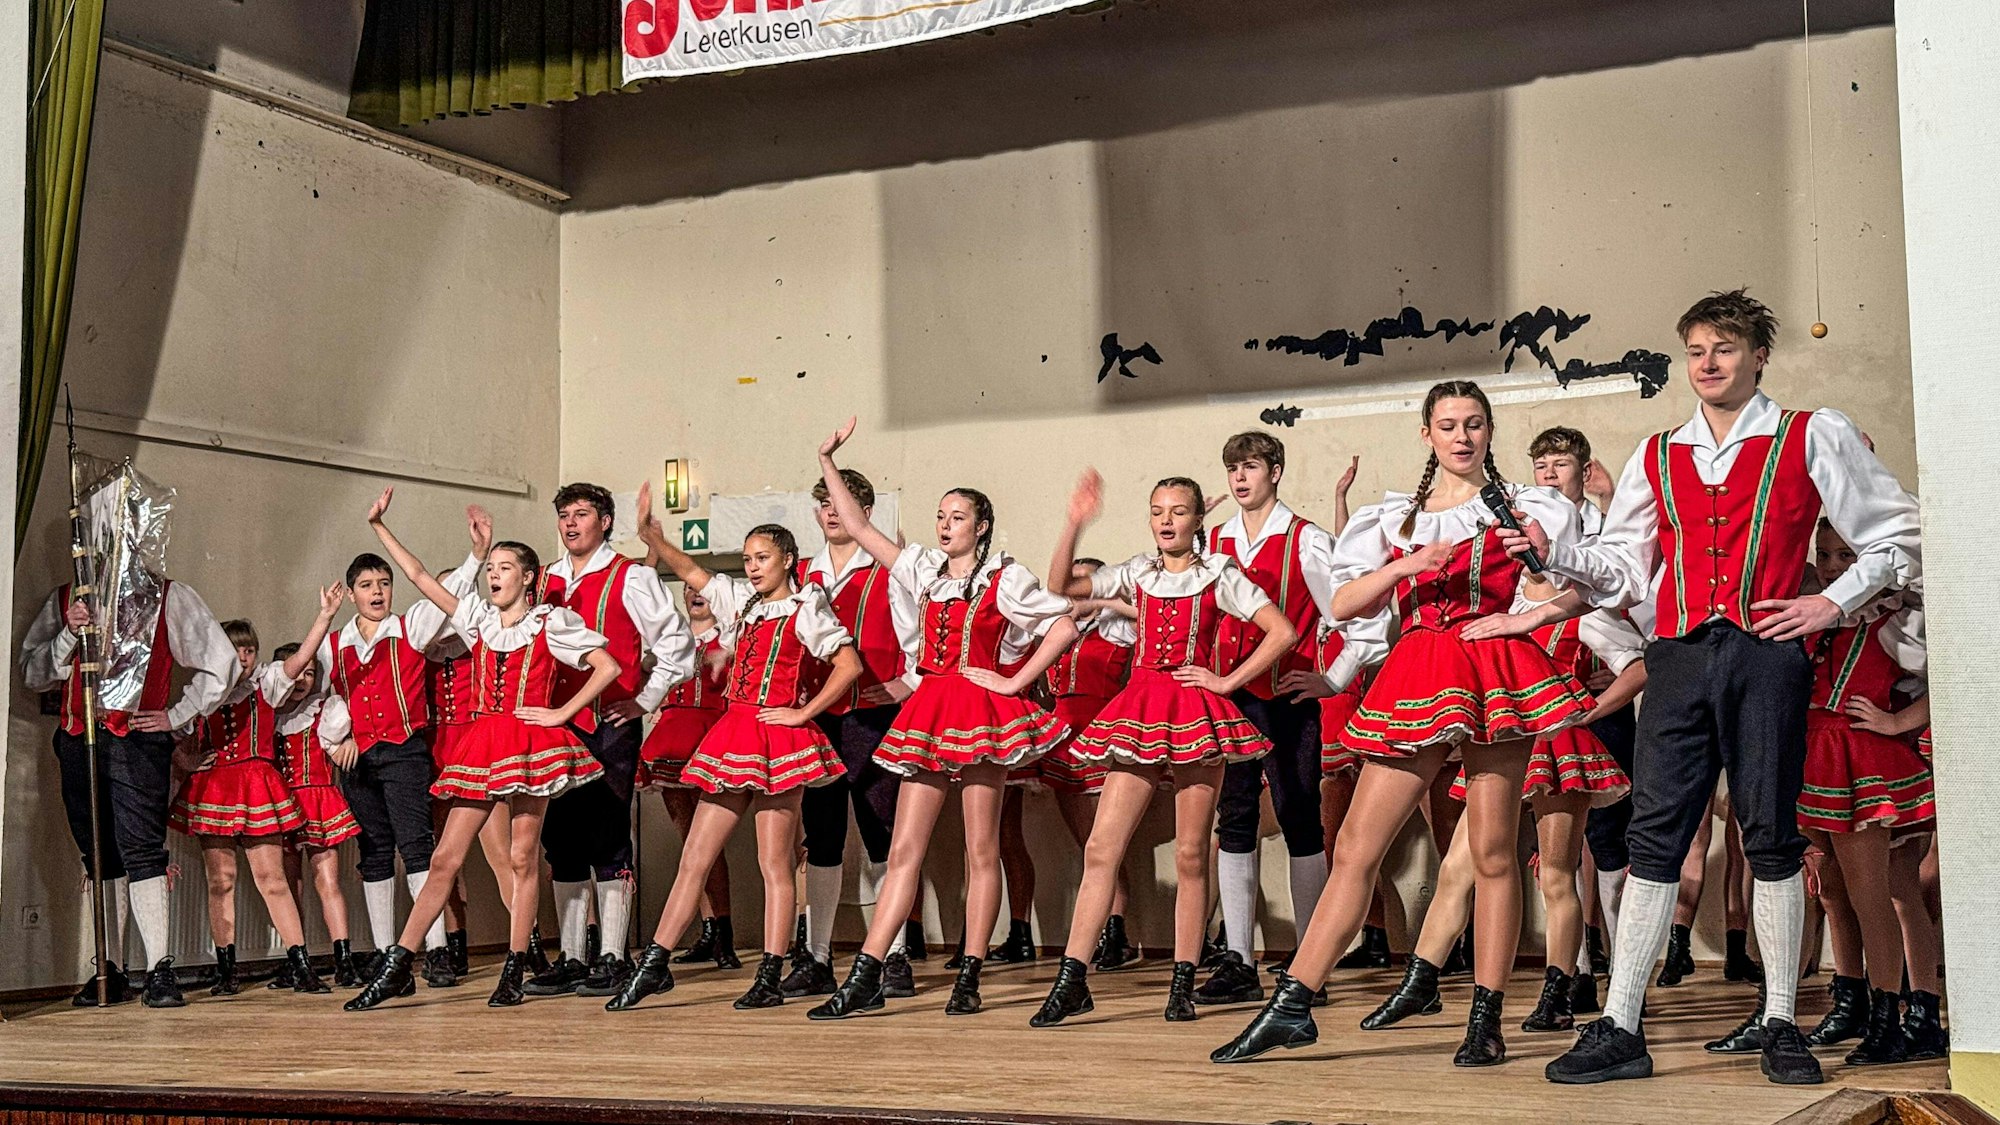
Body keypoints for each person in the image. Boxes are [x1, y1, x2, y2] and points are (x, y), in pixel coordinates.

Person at [1534, 290, 1922, 1086]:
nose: (1708, 364)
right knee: (1653, 838)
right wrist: (1560, 552)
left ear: (1759, 356)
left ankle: (1782, 1019)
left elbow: (1900, 532)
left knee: (1770, 835)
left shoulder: (1812, 432)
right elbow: (1623, 567)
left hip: (1768, 653)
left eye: (1724, 348)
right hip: (1676, 658)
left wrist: (1830, 600)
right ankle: (1621, 1024)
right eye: (1697, 351)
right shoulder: (1657, 452)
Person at [1210, 379, 1597, 1067]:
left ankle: (1486, 1016)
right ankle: (1293, 1003)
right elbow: (1344, 603)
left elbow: (1582, 586)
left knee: (1494, 850)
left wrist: (1532, 609)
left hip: (1494, 664)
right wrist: (1410, 563)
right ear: (1427, 434)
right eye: (1448, 424)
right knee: (1356, 846)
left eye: (1474, 423)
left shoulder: (1525, 506)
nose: (1462, 435)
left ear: (1487, 430)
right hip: (1417, 666)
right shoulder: (1396, 516)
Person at [809, 418, 1080, 1018]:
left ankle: (971, 970)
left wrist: (1013, 681)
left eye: (957, 517)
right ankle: (867, 973)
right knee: (905, 848)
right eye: (940, 516)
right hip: (930, 709)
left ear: (980, 527)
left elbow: (1063, 624)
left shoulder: (1005, 577)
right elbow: (857, 526)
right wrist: (828, 459)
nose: (945, 525)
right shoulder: (922, 569)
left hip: (982, 711)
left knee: (981, 849)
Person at [1029, 471, 1298, 1024]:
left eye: (1177, 511)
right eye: (1157, 511)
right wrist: (1074, 524)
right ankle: (1072, 978)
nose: (1166, 520)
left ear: (1199, 519)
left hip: (1194, 710)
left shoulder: (1220, 574)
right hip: (1140, 706)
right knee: (1102, 848)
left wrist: (1226, 681)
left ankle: (1181, 980)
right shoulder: (1136, 572)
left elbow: (1283, 631)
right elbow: (1057, 589)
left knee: (1191, 852)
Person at [346, 487, 620, 1010]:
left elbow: (607, 666)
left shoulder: (549, 623)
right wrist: (380, 527)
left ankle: (516, 967)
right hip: (483, 744)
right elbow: (423, 579)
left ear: (528, 577)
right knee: (446, 856)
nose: (493, 575)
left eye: (503, 567)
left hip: (530, 745)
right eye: (490, 568)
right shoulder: (480, 620)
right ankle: (401, 963)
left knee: (522, 858)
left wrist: (561, 714)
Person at [610, 508, 862, 1011]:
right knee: (695, 858)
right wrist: (654, 540)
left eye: (762, 558)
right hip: (734, 734)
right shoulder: (742, 603)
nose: (751, 567)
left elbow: (848, 664)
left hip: (777, 736)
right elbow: (691, 573)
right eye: (747, 558)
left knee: (775, 863)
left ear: (788, 560)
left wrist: (802, 713)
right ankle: (655, 964)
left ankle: (770, 972)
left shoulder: (806, 606)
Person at [21, 570, 239, 1008]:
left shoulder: (168, 595)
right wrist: (69, 633)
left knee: (142, 851)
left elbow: (223, 661)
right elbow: (34, 673)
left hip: (136, 739)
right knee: (98, 852)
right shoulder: (67, 597)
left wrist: (178, 714)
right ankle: (111, 969)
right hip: (77, 736)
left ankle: (160, 969)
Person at [530, 483, 697, 998]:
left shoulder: (632, 576)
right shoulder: (545, 580)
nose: (571, 524)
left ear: (605, 521)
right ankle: (574, 957)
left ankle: (613, 955)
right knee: (560, 841)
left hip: (608, 725)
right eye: (564, 515)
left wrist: (644, 701)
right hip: (556, 731)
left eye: (581, 514)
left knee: (607, 837)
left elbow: (678, 643)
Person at [1201, 432, 1346, 1003]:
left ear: (1276, 471)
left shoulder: (1306, 540)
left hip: (1287, 697)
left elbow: (1351, 615)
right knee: (1234, 819)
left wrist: (1331, 678)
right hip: (1229, 701)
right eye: (1233, 467)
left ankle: (1310, 963)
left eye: (1251, 466)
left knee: (1298, 816)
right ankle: (1238, 959)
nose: (1241, 478)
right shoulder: (1213, 541)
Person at [317, 524, 482, 988]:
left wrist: (476, 554)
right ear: (351, 594)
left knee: (416, 849)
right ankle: (389, 955)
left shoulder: (411, 627)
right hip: (359, 760)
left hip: (404, 752)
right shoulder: (336, 645)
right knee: (374, 853)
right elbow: (325, 700)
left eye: (384, 584)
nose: (377, 592)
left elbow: (449, 593)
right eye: (367, 585)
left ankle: (431, 951)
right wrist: (336, 741)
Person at [783, 467, 924, 997]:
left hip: (872, 718)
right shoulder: (801, 572)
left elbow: (919, 642)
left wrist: (902, 688)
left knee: (882, 832)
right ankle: (817, 957)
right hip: (819, 718)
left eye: (842, 504)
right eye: (824, 504)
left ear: (864, 513)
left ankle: (893, 959)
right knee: (820, 837)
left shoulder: (888, 569)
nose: (832, 513)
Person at [170, 598, 342, 997]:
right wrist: (189, 760)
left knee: (273, 879)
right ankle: (226, 971)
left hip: (256, 783)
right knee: (221, 881)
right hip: (214, 786)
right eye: (236, 648)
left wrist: (323, 617)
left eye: (249, 648)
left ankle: (301, 966)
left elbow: (298, 662)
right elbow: (173, 736)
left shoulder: (266, 683)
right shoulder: (202, 692)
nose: (245, 656)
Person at [634, 582, 741, 970]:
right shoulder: (671, 637)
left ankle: (723, 933)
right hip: (670, 741)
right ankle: (709, 929)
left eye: (703, 588)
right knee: (688, 841)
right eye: (690, 588)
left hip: (711, 737)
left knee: (707, 844)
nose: (696, 593)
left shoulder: (730, 635)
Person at [271, 646, 362, 987]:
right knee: (289, 885)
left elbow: (341, 747)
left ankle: (344, 960)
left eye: (311, 673)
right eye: (298, 672)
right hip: (282, 805)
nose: (304, 680)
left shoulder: (325, 709)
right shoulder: (271, 714)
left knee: (328, 882)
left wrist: (349, 738)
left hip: (319, 799)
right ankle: (298, 959)